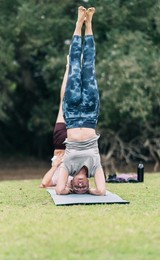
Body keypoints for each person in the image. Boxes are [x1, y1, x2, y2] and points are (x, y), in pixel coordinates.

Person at [55, 6, 106, 195]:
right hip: (91, 113)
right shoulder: (95, 167)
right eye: (82, 187)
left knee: (75, 65)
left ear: (72, 182)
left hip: (72, 112)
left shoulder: (67, 165)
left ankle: (78, 24)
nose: (80, 186)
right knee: (89, 66)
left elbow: (59, 190)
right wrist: (90, 192)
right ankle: (89, 24)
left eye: (76, 187)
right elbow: (101, 191)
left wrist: (68, 190)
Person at [40, 58, 73, 188]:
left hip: (60, 143)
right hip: (74, 142)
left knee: (63, 101)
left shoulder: (54, 180)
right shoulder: (72, 182)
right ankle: (76, 68)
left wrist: (55, 166)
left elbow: (44, 183)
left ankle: (68, 67)